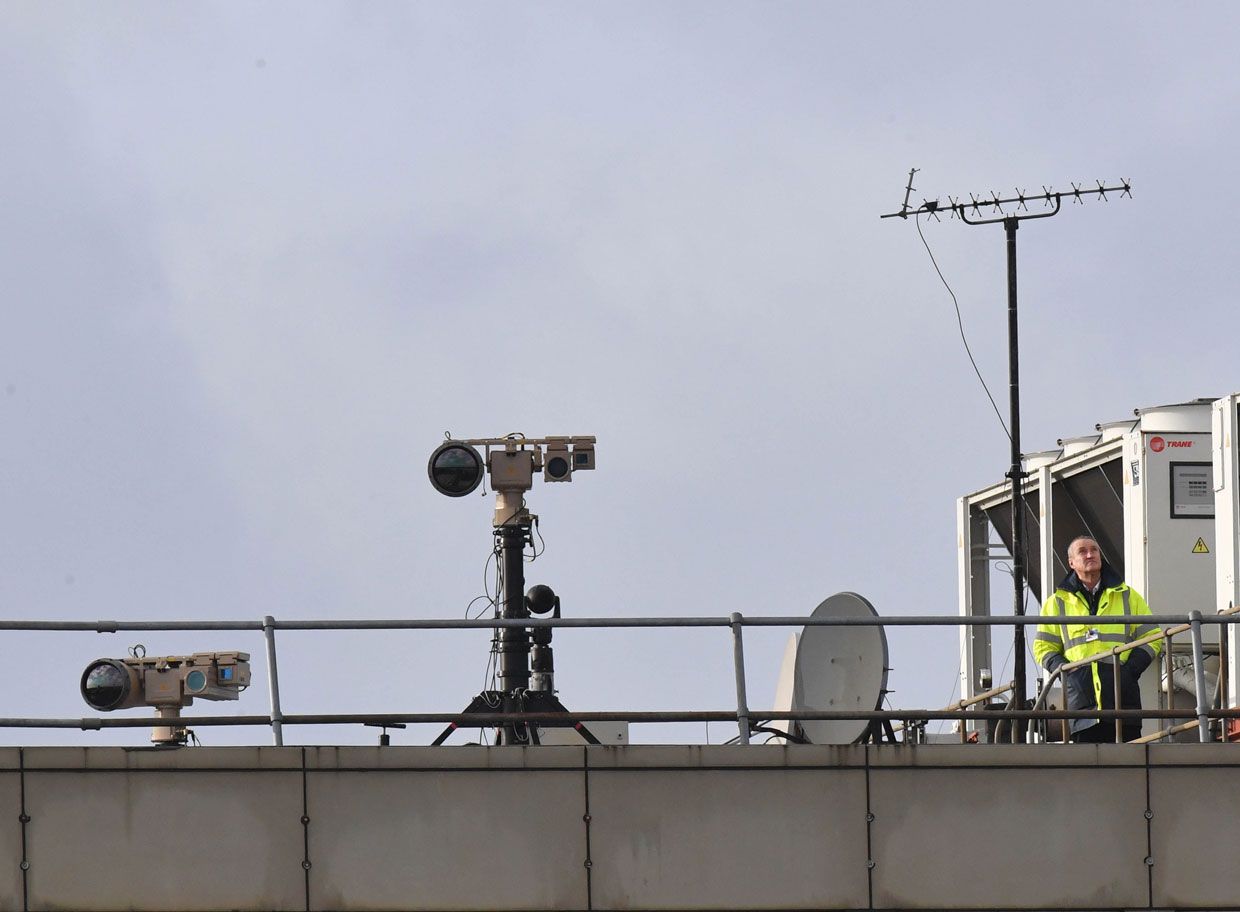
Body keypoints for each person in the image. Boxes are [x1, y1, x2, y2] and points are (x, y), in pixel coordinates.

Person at [1033, 536, 1162, 743]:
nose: (1090, 554)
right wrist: (1068, 673)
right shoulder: (1056, 603)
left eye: (1094, 550)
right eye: (1082, 551)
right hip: (1081, 702)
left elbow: (1153, 636)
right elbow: (1043, 647)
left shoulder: (1128, 595)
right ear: (1071, 562)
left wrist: (1130, 670)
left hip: (1122, 697)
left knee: (1129, 767)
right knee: (1089, 769)